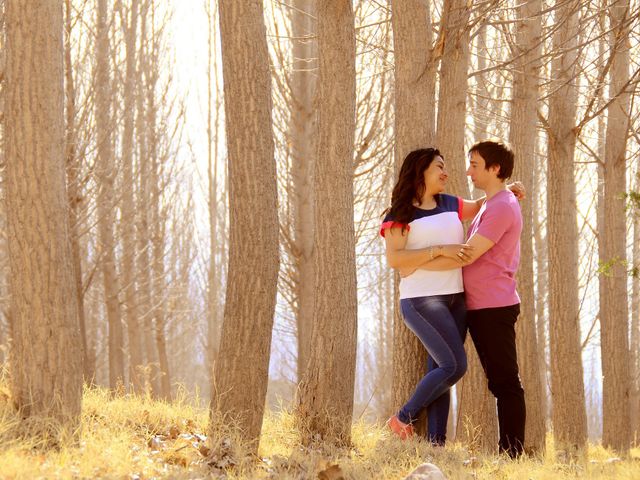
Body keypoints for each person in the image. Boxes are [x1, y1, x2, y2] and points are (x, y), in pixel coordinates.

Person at [380, 147, 523, 446]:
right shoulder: (400, 213)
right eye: (439, 167)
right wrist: (438, 251)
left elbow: (489, 203)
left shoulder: (450, 203)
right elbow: (396, 260)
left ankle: (436, 444)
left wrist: (507, 188)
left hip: (456, 298)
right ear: (420, 172)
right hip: (422, 300)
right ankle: (403, 418)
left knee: (440, 371)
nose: (446, 172)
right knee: (453, 365)